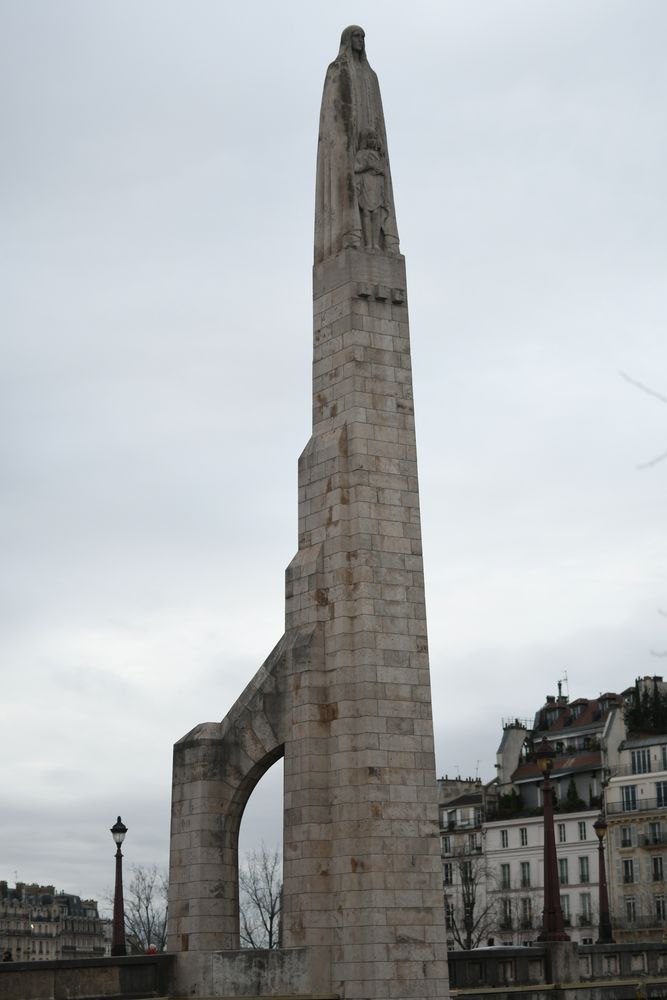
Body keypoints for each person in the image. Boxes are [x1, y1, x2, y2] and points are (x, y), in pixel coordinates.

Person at [354, 129, 388, 251]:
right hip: (365, 182)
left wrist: (378, 169)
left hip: (376, 184)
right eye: (370, 138)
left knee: (376, 213)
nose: (372, 141)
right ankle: (368, 243)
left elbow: (384, 171)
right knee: (367, 213)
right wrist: (367, 166)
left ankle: (376, 243)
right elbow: (355, 168)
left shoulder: (380, 155)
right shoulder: (361, 154)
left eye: (374, 138)